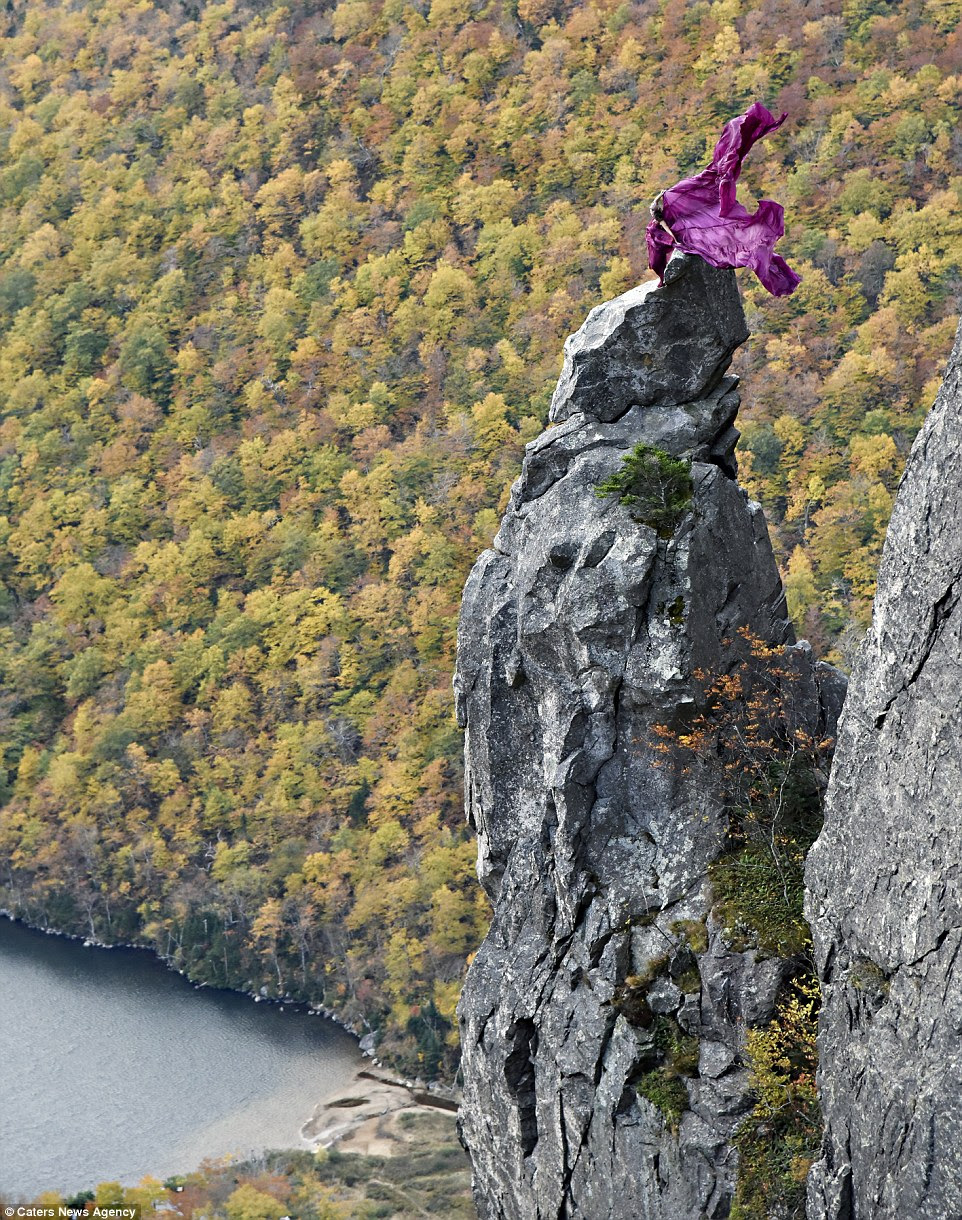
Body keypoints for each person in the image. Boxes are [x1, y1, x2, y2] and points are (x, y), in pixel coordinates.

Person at [646, 102, 801, 297]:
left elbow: (669, 238)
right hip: (685, 218)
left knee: (731, 234)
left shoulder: (673, 209)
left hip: (684, 220)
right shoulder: (674, 206)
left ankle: (750, 125)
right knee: (732, 233)